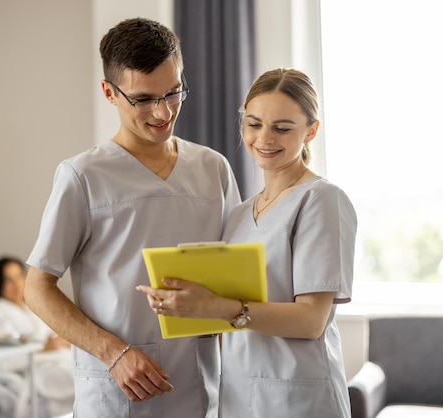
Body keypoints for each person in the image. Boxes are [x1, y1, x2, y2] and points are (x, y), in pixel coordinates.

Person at [24, 17, 241, 417]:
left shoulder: (214, 169)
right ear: (109, 92)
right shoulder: (82, 175)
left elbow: (236, 280)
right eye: (143, 99)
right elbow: (36, 288)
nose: (162, 112)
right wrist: (114, 353)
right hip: (114, 394)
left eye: (173, 92)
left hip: (198, 391)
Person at [137, 68, 357, 417]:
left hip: (300, 399)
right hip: (239, 396)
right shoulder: (239, 214)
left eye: (282, 128)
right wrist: (183, 303)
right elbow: (230, 310)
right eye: (254, 124)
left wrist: (215, 307)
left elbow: (311, 321)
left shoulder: (321, 200)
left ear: (310, 131)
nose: (264, 138)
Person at [0, 256, 73, 418]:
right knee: (80, 376)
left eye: (19, 277)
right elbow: (2, 359)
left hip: (56, 359)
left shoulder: (29, 307)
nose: (17, 284)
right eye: (8, 280)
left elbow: (49, 334)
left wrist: (63, 340)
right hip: (36, 370)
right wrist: (44, 348)